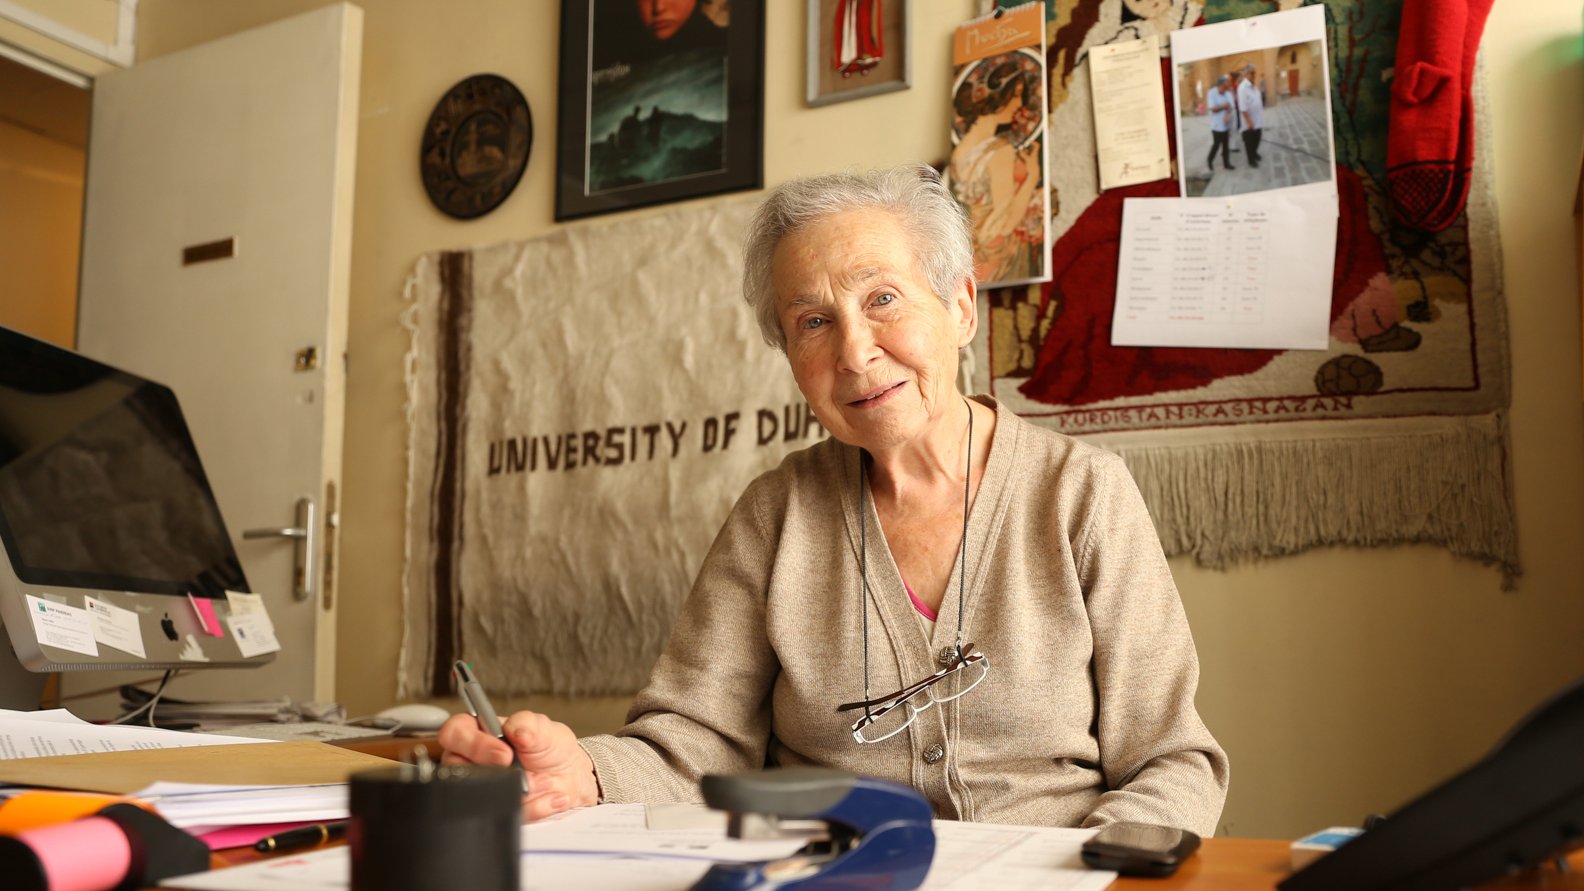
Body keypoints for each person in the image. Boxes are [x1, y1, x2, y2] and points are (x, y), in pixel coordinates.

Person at [439, 165, 1230, 835]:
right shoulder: (774, 515)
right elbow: (693, 744)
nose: (854, 351)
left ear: (960, 307)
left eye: (882, 298)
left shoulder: (1082, 493)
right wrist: (578, 772)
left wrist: (1082, 871)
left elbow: (1172, 762)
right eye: (814, 321)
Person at [948, 56, 1045, 284]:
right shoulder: (1000, 151)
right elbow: (1005, 223)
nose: (1019, 105)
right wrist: (1032, 176)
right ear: (998, 96)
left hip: (973, 254)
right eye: (1015, 95)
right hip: (1000, 253)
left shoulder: (961, 149)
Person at [1206, 73, 1236, 172]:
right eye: (1224, 86)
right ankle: (1209, 160)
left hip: (1226, 124)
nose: (1226, 88)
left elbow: (1231, 105)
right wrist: (1224, 106)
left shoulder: (1227, 93)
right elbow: (1213, 108)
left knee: (1226, 146)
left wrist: (1227, 113)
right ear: (1219, 85)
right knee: (1216, 144)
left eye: (1226, 87)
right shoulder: (1211, 93)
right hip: (1216, 125)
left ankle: (1226, 164)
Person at [1238, 63, 1265, 167]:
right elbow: (1243, 107)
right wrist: (1249, 122)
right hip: (1249, 122)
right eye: (1252, 73)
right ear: (1246, 73)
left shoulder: (1253, 86)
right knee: (1250, 142)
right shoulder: (1242, 88)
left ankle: (1254, 153)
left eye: (1254, 73)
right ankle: (1251, 160)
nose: (1254, 75)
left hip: (1257, 120)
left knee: (1257, 139)